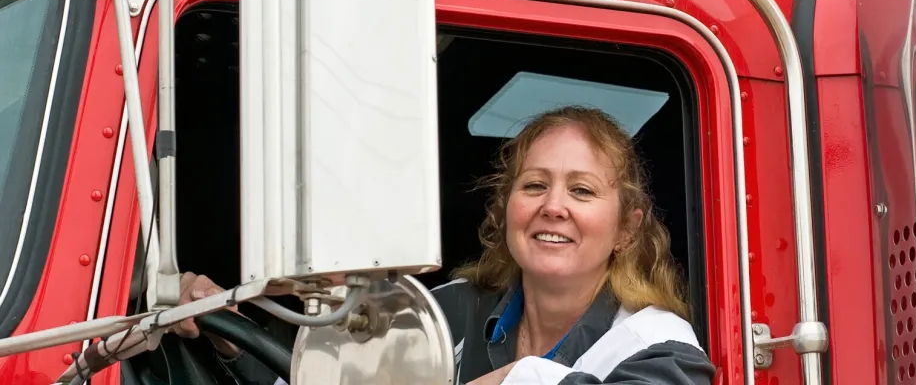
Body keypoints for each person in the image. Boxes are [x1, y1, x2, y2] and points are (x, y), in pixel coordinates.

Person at [171, 106, 714, 384]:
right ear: (507, 209)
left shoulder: (659, 348)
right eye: (533, 185)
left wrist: (516, 377)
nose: (553, 206)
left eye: (582, 191)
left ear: (626, 228)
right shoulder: (442, 312)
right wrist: (232, 338)